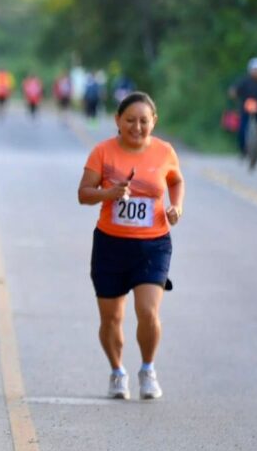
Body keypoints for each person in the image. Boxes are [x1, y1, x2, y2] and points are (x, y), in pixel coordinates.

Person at [77, 92, 184, 400]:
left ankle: (148, 369)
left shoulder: (164, 152)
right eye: (130, 121)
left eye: (143, 121)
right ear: (117, 121)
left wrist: (176, 206)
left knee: (148, 311)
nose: (137, 127)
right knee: (111, 318)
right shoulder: (103, 152)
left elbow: (176, 181)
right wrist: (108, 193)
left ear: (154, 122)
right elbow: (83, 193)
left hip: (153, 245)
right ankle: (117, 370)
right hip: (111, 245)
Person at [228, 58, 257, 157]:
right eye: (254, 70)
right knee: (242, 128)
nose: (256, 72)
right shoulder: (245, 81)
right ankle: (243, 149)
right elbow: (235, 89)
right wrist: (233, 93)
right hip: (246, 108)